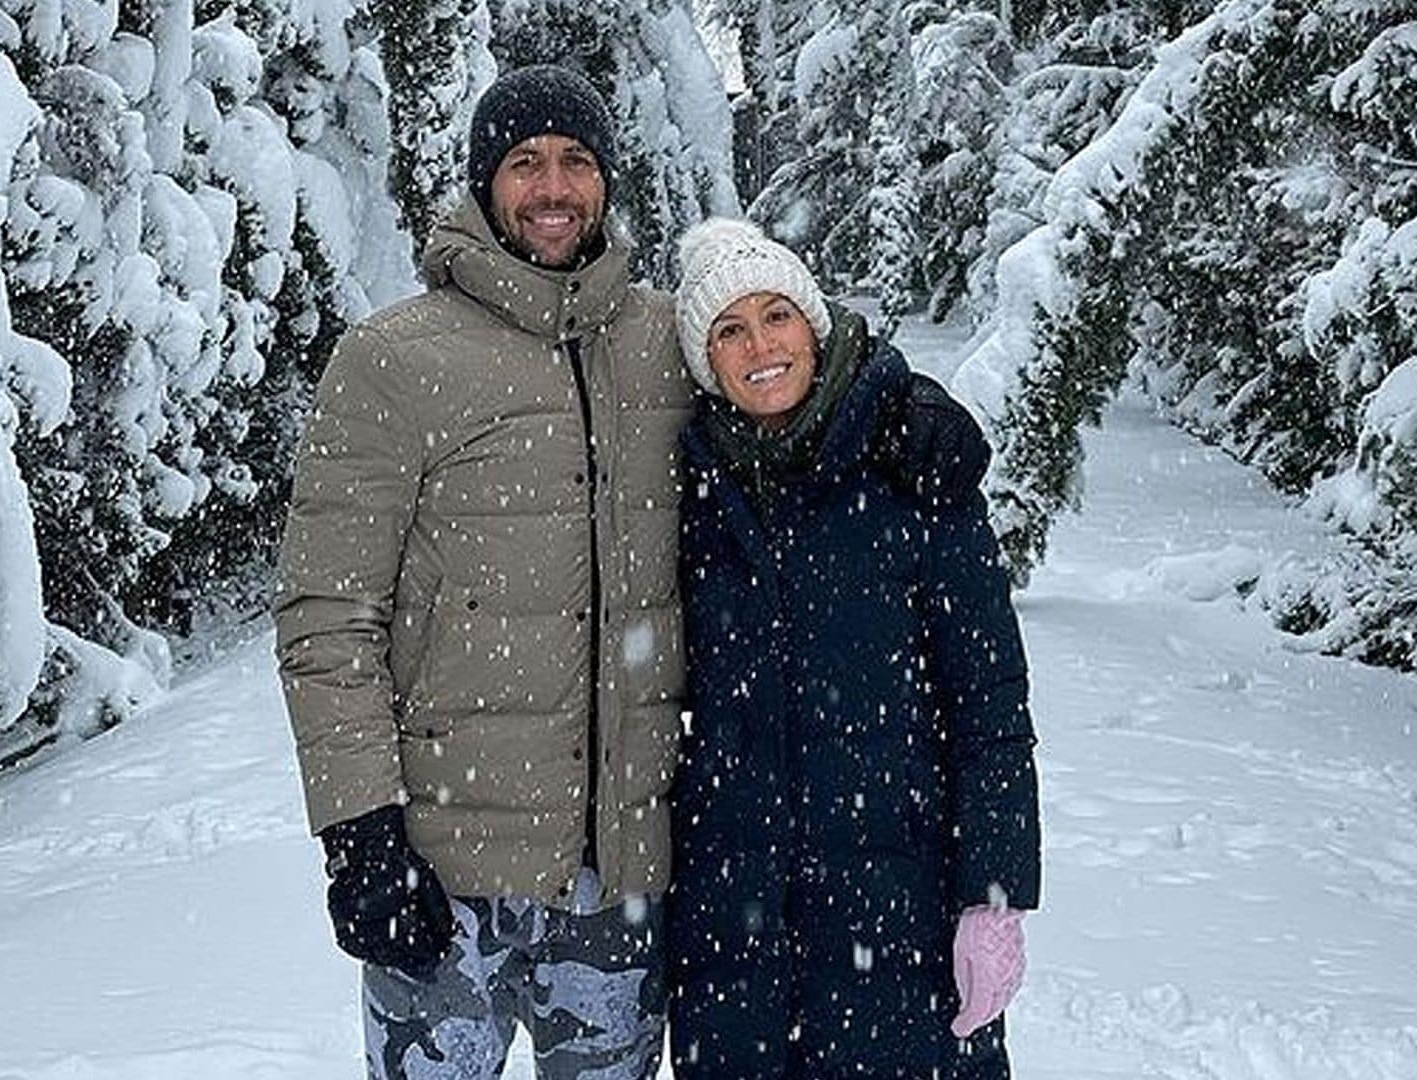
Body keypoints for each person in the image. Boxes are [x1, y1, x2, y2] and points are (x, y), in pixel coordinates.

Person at [275, 66, 987, 1080]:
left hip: (619, 883)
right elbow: (326, 620)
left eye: (576, 162)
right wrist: (357, 831)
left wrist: (896, 400)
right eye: (525, 165)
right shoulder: (393, 359)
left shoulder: (660, 341)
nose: (553, 188)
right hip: (442, 878)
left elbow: (786, 351)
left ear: (608, 182)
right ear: (484, 186)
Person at [666, 218, 1041, 1079]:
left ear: (816, 324)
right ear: (704, 362)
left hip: (899, 910)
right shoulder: (688, 492)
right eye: (729, 330)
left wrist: (994, 898)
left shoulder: (912, 467)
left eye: (777, 315)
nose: (760, 345)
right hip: (737, 928)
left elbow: (989, 703)